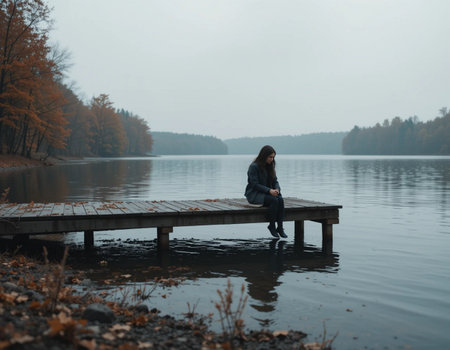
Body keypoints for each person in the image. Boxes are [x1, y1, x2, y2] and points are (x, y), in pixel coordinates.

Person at [245, 145, 287, 239]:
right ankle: (272, 226)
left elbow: (275, 181)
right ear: (264, 156)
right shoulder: (254, 167)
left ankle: (280, 228)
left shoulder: (270, 166)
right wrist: (269, 191)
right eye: (270, 157)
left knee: (280, 199)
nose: (272, 159)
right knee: (274, 200)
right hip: (254, 194)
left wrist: (277, 189)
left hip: (267, 193)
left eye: (273, 157)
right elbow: (254, 184)